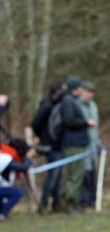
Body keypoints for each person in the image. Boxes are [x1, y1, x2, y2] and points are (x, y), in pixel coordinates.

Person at [61, 76, 96, 213]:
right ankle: (71, 204)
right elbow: (69, 121)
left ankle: (74, 203)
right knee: (75, 176)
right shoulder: (69, 101)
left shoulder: (71, 100)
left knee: (78, 175)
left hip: (78, 142)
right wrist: (85, 122)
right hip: (73, 144)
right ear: (75, 88)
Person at [31, 82, 64, 214]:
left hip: (55, 144)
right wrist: (40, 136)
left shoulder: (55, 106)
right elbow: (35, 124)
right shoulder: (47, 106)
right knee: (52, 175)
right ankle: (43, 203)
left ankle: (55, 203)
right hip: (50, 145)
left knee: (57, 174)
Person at [78, 81, 101, 209]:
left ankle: (92, 199)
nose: (90, 95)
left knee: (93, 172)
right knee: (84, 173)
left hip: (93, 144)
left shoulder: (93, 106)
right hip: (83, 145)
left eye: (92, 93)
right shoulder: (77, 105)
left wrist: (98, 143)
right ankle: (84, 200)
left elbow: (96, 127)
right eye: (88, 92)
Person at [0, 137, 33, 221]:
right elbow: (23, 167)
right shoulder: (5, 157)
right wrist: (28, 158)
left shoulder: (3, 154)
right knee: (17, 193)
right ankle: (2, 215)